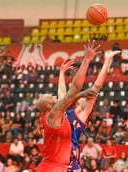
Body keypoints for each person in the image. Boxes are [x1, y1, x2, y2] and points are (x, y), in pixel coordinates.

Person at [36, 41, 98, 172]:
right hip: (52, 168)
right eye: (51, 97)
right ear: (49, 105)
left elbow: (65, 96)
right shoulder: (53, 114)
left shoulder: (56, 114)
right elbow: (72, 90)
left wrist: (62, 73)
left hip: (59, 167)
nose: (54, 97)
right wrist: (86, 60)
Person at [57, 49, 120, 171]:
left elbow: (96, 87)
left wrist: (107, 61)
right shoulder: (64, 107)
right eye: (82, 98)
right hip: (57, 157)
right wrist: (61, 73)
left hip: (70, 159)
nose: (84, 99)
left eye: (84, 99)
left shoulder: (80, 114)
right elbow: (61, 92)